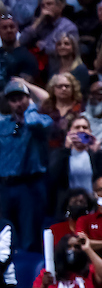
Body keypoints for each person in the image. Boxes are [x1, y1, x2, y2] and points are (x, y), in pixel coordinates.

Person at [0, 79, 52, 252]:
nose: (17, 103)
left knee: (29, 236)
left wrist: (30, 106)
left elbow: (34, 123)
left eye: (20, 99)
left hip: (29, 186)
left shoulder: (40, 120)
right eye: (13, 100)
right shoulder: (3, 125)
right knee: (4, 235)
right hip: (5, 186)